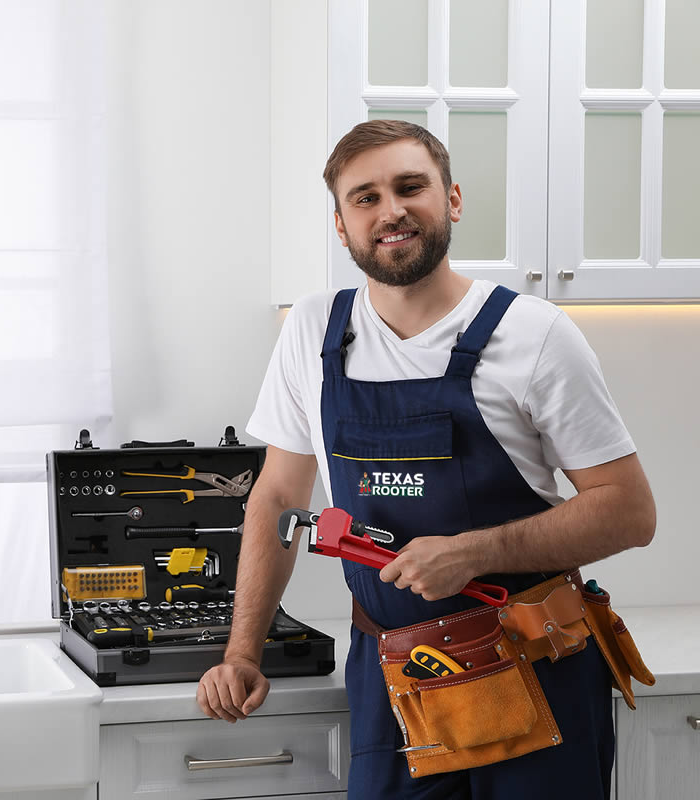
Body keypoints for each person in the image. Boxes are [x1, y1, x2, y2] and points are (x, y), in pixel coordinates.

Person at [196, 120, 656, 798]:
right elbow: (277, 498)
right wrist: (242, 653)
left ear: (453, 200)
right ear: (342, 224)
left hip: (537, 669)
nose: (392, 210)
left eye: (412, 187)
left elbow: (629, 512)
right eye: (366, 197)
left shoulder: (535, 334)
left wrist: (474, 552)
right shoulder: (313, 333)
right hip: (393, 677)